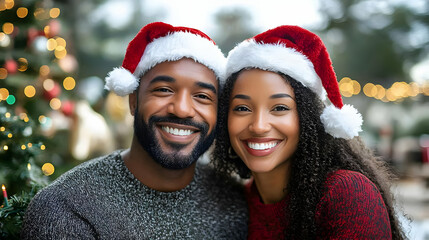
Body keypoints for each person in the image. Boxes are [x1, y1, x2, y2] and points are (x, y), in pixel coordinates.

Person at [21, 22, 248, 239]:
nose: (181, 109)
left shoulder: (236, 201)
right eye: (164, 90)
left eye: (202, 96)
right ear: (133, 100)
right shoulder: (68, 209)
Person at [213, 25, 405, 239]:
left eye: (279, 108)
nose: (258, 126)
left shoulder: (345, 194)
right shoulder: (241, 201)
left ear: (307, 118)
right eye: (242, 109)